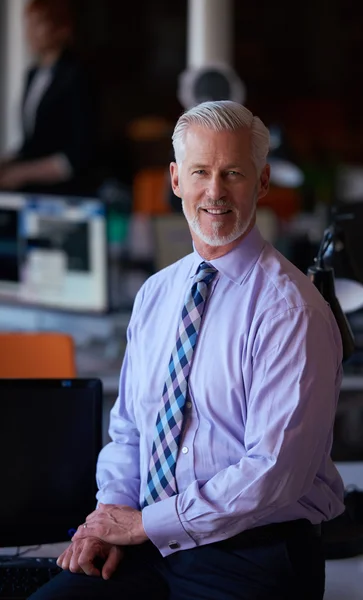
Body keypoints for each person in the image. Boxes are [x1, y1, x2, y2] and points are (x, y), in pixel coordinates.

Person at [30, 100, 345, 600]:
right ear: (176, 180)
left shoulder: (290, 310)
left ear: (261, 183)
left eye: (233, 173)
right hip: (150, 543)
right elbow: (130, 431)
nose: (215, 191)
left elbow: (273, 472)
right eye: (201, 172)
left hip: (251, 555)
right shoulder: (156, 294)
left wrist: (142, 526)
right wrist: (108, 517)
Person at [0, 0, 98, 196]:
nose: (28, 33)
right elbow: (34, 144)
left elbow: (80, 153)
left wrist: (22, 173)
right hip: (32, 189)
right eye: (27, 24)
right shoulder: (33, 74)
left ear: (60, 29)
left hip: (66, 192)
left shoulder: (77, 76)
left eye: (37, 24)